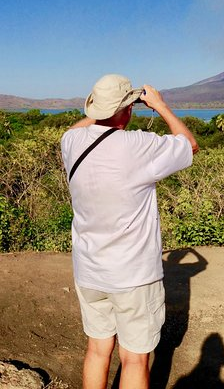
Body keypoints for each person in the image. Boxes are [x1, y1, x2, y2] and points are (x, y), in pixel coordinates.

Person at [60, 74, 199, 389]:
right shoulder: (137, 145)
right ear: (127, 109)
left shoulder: (71, 141)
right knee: (134, 358)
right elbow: (189, 144)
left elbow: (80, 127)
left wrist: (105, 108)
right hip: (133, 275)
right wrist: (160, 106)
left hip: (89, 270)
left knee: (97, 349)